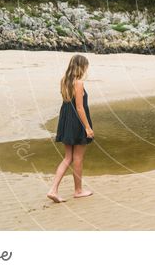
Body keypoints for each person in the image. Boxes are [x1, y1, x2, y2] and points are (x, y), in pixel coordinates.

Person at [47, 54, 95, 202]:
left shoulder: (64, 81)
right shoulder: (78, 83)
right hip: (77, 123)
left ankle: (53, 189)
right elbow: (79, 107)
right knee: (78, 157)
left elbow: (68, 104)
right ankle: (78, 190)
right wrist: (87, 127)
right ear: (81, 67)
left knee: (68, 157)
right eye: (85, 66)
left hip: (66, 121)